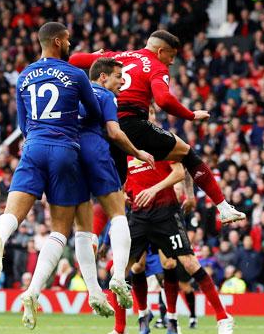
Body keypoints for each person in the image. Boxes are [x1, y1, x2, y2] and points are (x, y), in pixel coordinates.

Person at [0, 22, 102, 329]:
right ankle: (39, 290)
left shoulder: (24, 75)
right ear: (57, 41)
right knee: (61, 228)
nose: (70, 43)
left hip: (33, 146)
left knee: (14, 212)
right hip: (64, 149)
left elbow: (22, 124)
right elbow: (93, 113)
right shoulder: (76, 75)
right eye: (67, 39)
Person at [68, 30, 245, 225]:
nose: (171, 62)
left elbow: (75, 59)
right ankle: (224, 208)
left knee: (115, 187)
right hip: (131, 123)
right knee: (187, 154)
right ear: (161, 51)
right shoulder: (156, 66)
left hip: (102, 125)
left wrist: (94, 56)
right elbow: (163, 99)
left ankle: (96, 237)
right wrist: (191, 115)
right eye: (171, 56)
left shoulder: (117, 56)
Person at [93, 157, 233, 334]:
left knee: (188, 263)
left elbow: (180, 170)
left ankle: (222, 318)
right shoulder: (123, 149)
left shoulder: (158, 141)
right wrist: (123, 192)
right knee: (117, 272)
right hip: (138, 214)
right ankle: (120, 330)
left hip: (165, 213)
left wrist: (163, 191)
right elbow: (119, 181)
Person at [70, 57, 154, 317]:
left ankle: (93, 290)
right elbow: (115, 133)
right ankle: (118, 276)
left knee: (80, 230)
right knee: (118, 215)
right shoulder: (105, 96)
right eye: (119, 76)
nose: (123, 81)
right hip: (98, 157)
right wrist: (138, 152)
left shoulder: (71, 94)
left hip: (70, 157)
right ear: (103, 77)